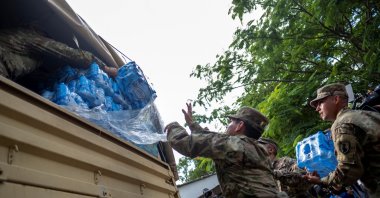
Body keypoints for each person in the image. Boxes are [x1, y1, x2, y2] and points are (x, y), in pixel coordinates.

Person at [165, 103, 287, 198]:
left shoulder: (232, 145)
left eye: (230, 122)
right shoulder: (258, 149)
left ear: (239, 126)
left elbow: (186, 144)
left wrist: (170, 126)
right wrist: (192, 124)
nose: (227, 125)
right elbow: (213, 140)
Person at [304, 83, 380, 197]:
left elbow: (349, 171)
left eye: (320, 102)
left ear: (336, 99)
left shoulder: (341, 125)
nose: (317, 108)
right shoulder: (364, 113)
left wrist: (321, 181)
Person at [0, 26, 117, 80]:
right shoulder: (33, 37)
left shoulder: (36, 56)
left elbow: (33, 74)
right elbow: (69, 53)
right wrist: (105, 68)